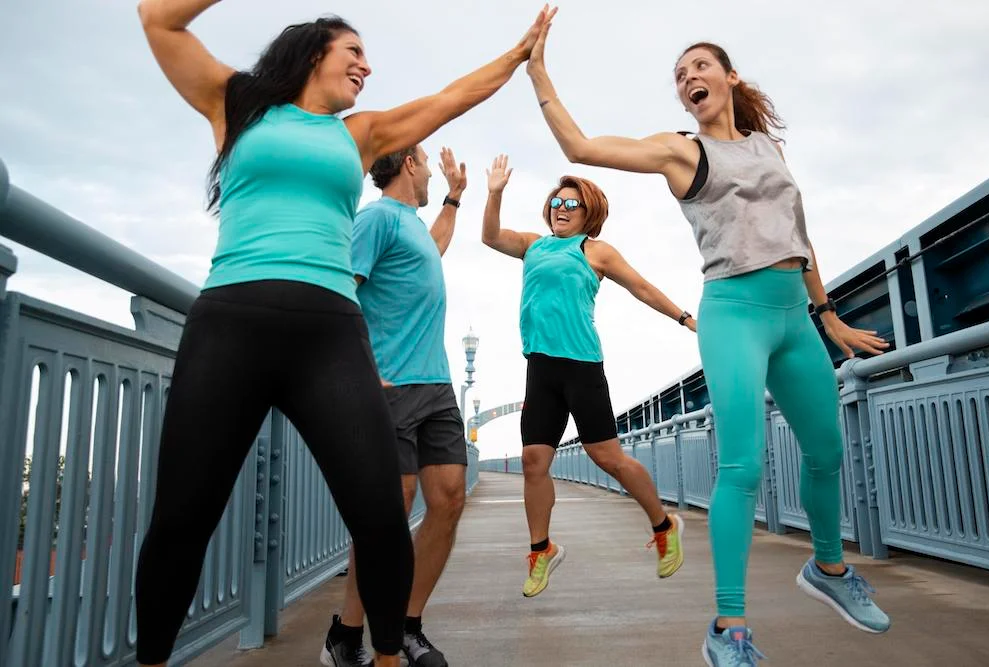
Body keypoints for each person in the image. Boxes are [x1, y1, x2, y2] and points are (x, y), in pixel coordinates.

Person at [133, 2, 557, 666]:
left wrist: (517, 54)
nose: (366, 65)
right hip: (231, 323)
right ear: (312, 53)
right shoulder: (236, 103)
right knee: (182, 518)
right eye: (352, 51)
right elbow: (158, 19)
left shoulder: (360, 134)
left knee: (382, 516)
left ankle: (385, 656)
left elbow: (450, 100)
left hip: (329, 336)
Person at [523, 24, 892, 666]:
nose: (688, 77)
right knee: (744, 465)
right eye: (679, 75)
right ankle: (730, 627)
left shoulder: (769, 149)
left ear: (729, 78)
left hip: (792, 318)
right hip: (733, 314)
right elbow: (580, 146)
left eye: (699, 66)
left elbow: (797, 235)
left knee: (828, 452)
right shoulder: (682, 152)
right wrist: (538, 74)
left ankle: (830, 571)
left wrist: (827, 314)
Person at [481, 153, 695, 599]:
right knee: (533, 462)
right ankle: (542, 550)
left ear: (588, 213)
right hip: (540, 367)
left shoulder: (594, 251)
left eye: (571, 204)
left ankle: (663, 524)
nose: (561, 208)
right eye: (556, 201)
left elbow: (641, 288)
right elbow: (489, 237)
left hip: (581, 367)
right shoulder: (533, 244)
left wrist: (684, 318)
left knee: (608, 458)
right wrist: (495, 193)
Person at [321, 145, 469, 667]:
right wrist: (359, 368)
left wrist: (454, 196)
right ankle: (348, 632)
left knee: (449, 499)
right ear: (408, 164)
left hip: (436, 385)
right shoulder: (377, 219)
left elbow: (435, 248)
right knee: (391, 511)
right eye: (426, 162)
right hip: (391, 387)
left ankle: (407, 625)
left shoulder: (410, 225)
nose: (431, 170)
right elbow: (342, 288)